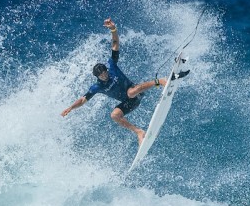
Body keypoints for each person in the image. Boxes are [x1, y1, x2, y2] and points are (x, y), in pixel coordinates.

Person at [61, 18, 189, 145]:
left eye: (105, 72)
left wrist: (113, 29)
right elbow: (83, 100)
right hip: (130, 103)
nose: (104, 75)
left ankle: (160, 81)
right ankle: (139, 132)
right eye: (101, 75)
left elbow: (115, 44)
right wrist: (71, 108)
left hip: (136, 92)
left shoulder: (112, 66)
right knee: (114, 115)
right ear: (97, 77)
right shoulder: (97, 87)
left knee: (131, 92)